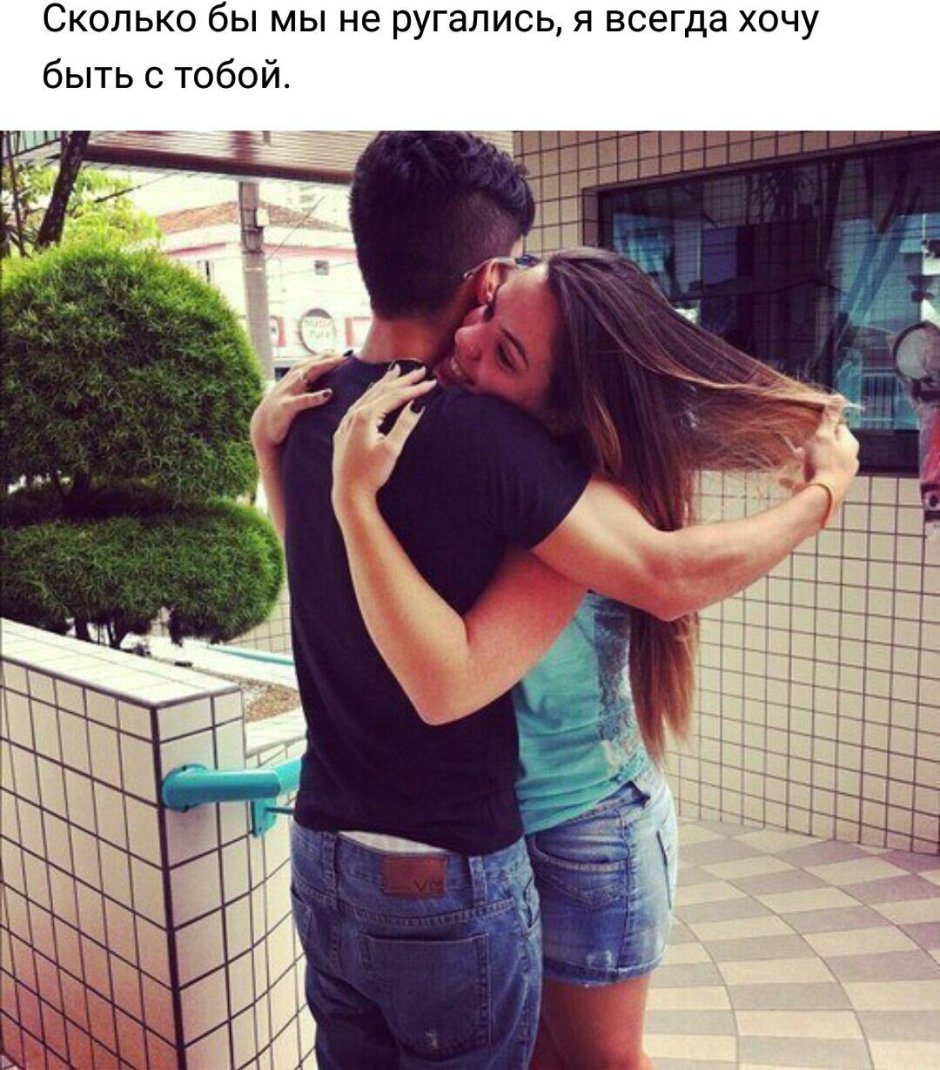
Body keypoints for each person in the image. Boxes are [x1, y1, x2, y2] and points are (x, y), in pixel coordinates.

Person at [250, 133, 858, 1069]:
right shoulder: (386, 423)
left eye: (506, 349)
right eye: (490, 313)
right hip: (482, 835)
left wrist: (820, 496)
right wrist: (278, 456)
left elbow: (664, 577)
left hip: (579, 821)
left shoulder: (542, 471)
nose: (469, 345)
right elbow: (333, 583)